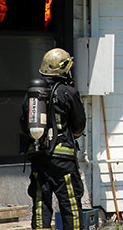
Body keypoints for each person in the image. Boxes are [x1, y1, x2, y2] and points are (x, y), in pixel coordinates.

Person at [21, 48, 87, 230]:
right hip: (63, 161)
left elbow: (23, 124)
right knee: (70, 205)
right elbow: (79, 124)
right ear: (63, 68)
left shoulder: (32, 93)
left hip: (38, 156)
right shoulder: (68, 92)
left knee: (41, 204)